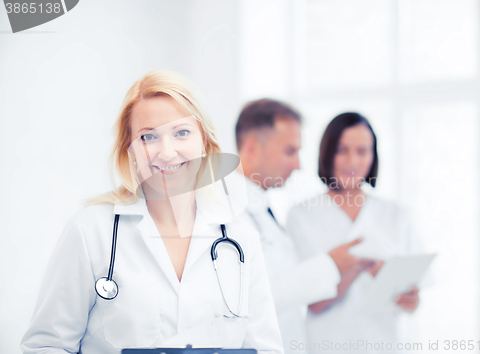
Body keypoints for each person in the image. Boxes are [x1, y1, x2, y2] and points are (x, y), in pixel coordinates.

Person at [20, 71, 283, 354]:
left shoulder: (240, 237)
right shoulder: (91, 230)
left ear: (204, 143)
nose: (167, 152)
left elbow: (265, 349)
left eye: (181, 133)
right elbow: (46, 346)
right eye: (148, 137)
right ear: (129, 149)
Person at [235, 99, 375, 354]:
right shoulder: (229, 213)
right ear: (252, 148)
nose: (297, 165)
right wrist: (330, 265)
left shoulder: (261, 210)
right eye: (290, 151)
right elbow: (251, 298)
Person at [287, 112, 423, 354]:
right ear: (327, 153)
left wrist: (410, 300)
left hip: (386, 343)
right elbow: (314, 302)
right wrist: (356, 265)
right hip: (327, 344)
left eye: (362, 151)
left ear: (373, 156)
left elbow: (411, 296)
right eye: (342, 150)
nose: (352, 161)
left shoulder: (396, 214)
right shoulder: (302, 216)